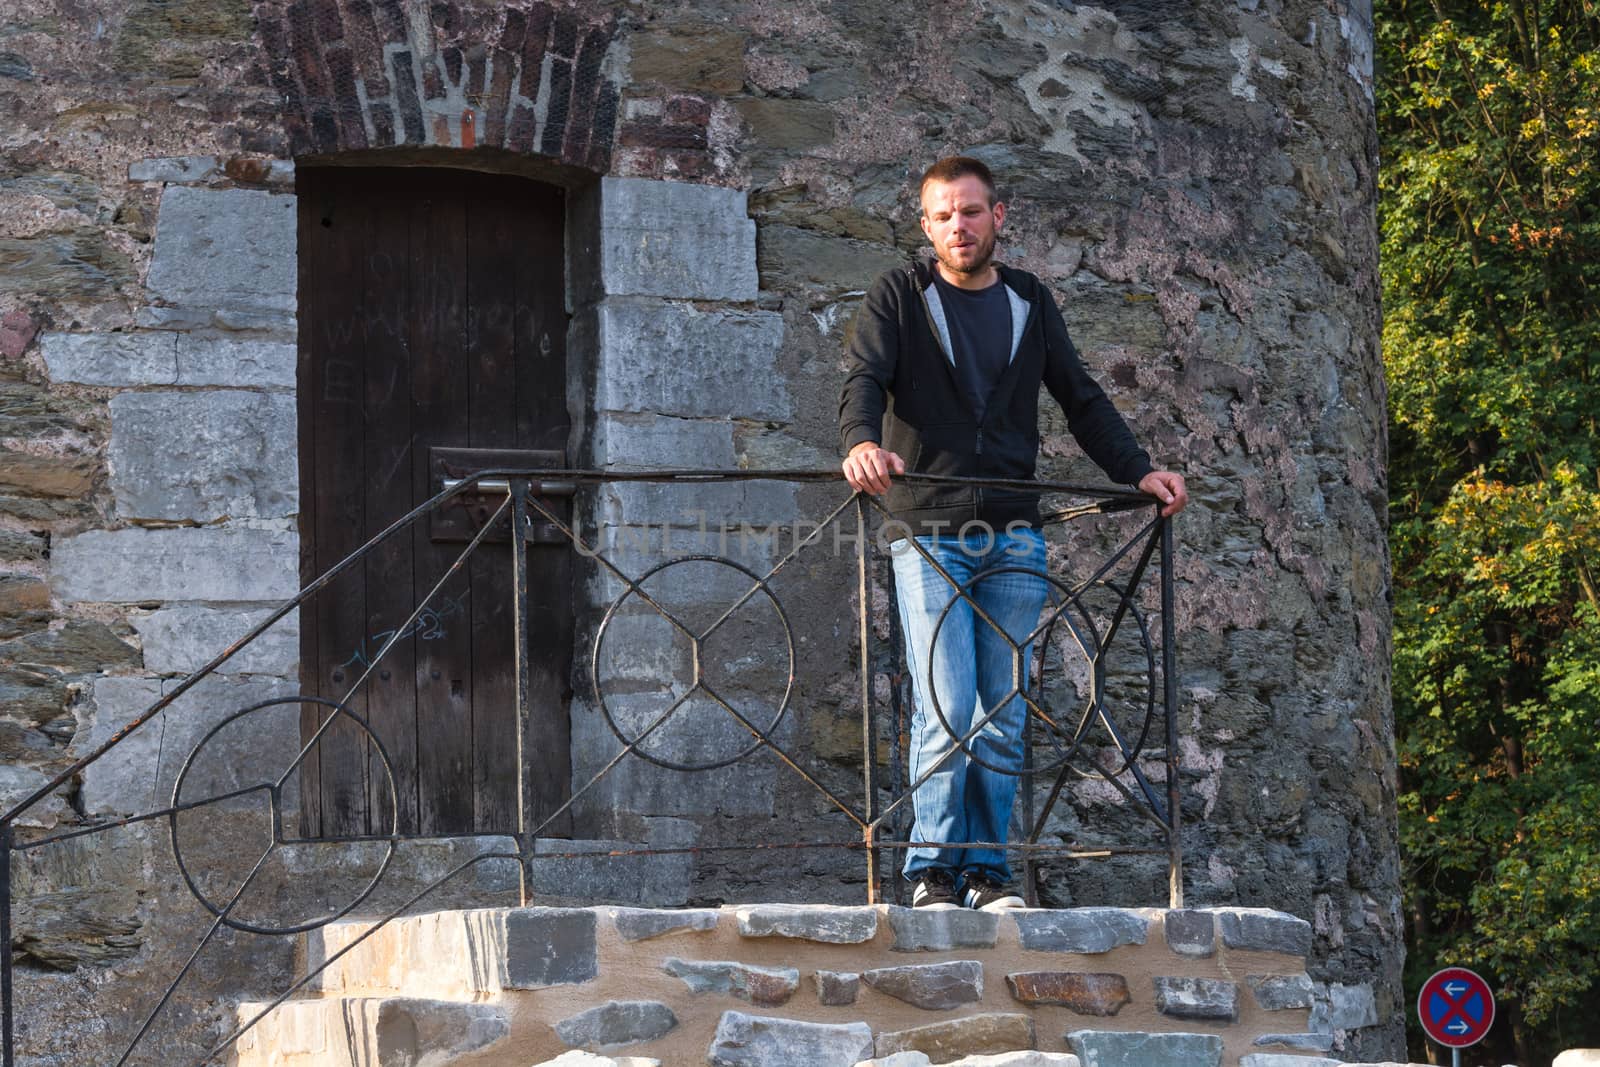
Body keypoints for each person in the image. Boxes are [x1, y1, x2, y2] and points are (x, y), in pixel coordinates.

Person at [839, 156, 1188, 911]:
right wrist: (861, 441)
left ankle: (988, 874)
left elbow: (1081, 397)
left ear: (1000, 217)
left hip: (1014, 536)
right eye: (942, 216)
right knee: (947, 703)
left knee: (1001, 709)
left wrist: (1138, 471)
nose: (957, 227)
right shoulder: (902, 294)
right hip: (928, 527)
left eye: (970, 212)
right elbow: (864, 378)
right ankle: (932, 869)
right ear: (925, 226)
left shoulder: (1031, 299)